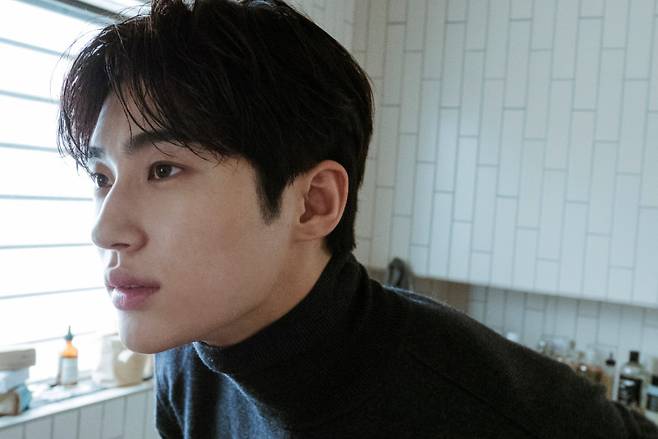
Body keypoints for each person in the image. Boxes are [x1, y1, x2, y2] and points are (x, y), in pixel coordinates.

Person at [56, 0, 658, 437]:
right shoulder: (189, 353)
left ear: (313, 203)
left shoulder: (467, 407)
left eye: (164, 169)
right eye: (102, 177)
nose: (106, 230)